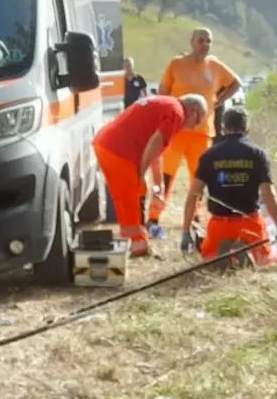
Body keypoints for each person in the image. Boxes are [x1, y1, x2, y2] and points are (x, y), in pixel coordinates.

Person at [148, 28, 242, 237]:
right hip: (175, 130)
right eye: (200, 40)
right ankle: (154, 218)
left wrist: (218, 101)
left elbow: (236, 83)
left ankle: (195, 220)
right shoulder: (176, 64)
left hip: (202, 133)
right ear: (192, 42)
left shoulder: (215, 66)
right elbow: (163, 93)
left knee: (198, 179)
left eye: (208, 41)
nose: (204, 44)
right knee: (166, 178)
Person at [93, 94, 209, 257]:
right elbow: (156, 142)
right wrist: (140, 172)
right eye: (196, 123)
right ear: (193, 111)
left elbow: (156, 148)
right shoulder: (177, 113)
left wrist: (158, 183)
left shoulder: (168, 105)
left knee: (135, 192)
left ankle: (137, 241)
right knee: (129, 196)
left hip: (107, 143)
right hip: (118, 149)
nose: (191, 128)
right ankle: (137, 244)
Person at [180, 107, 277, 265]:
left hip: (219, 224)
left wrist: (186, 231)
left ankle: (222, 254)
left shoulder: (209, 156)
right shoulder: (258, 154)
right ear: (247, 129)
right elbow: (269, 195)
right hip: (249, 223)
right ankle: (249, 252)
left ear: (223, 129)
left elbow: (193, 195)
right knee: (264, 260)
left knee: (209, 258)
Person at [105, 57, 151, 225]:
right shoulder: (119, 81)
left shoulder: (139, 80)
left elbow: (145, 96)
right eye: (125, 65)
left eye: (130, 65)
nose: (128, 67)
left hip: (137, 117)